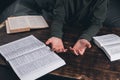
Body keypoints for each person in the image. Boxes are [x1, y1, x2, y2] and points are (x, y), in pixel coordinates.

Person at [0, 0, 108, 55]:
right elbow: (58, 16)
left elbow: (97, 23)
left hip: (82, 26)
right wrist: (56, 35)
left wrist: (85, 38)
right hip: (63, 21)